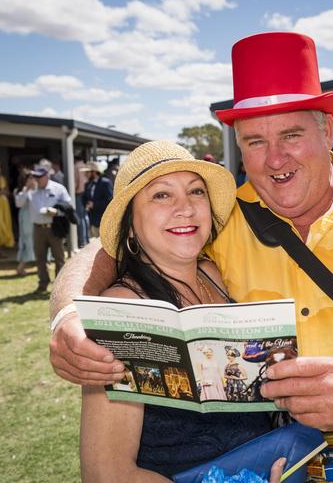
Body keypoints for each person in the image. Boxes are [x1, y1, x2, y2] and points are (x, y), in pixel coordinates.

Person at [49, 32, 333, 482]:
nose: (274, 159)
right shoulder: (223, 220)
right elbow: (117, 247)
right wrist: (67, 317)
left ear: (327, 129)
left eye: (291, 134)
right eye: (254, 141)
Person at [78, 140, 272, 481]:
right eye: (161, 195)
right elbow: (106, 472)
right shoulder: (124, 312)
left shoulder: (215, 275)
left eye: (196, 192)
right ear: (131, 225)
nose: (186, 208)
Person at [15, 165, 71, 293]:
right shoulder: (31, 189)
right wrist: (25, 189)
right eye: (35, 177)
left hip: (54, 227)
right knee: (40, 258)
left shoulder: (58, 188)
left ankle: (59, 287)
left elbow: (68, 205)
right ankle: (43, 283)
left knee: (59, 258)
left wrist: (56, 212)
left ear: (46, 176)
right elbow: (19, 203)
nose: (36, 179)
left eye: (39, 177)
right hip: (38, 228)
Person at [13, 168, 35, 276]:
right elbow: (19, 204)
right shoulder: (20, 191)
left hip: (36, 219)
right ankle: (21, 266)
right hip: (26, 219)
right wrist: (26, 190)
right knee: (27, 241)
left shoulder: (37, 190)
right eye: (30, 178)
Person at [83, 162, 113, 238]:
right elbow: (85, 198)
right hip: (92, 220)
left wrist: (94, 204)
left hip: (103, 220)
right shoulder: (88, 184)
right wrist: (86, 204)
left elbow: (110, 201)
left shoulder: (105, 183)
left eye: (87, 172)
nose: (85, 174)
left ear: (94, 172)